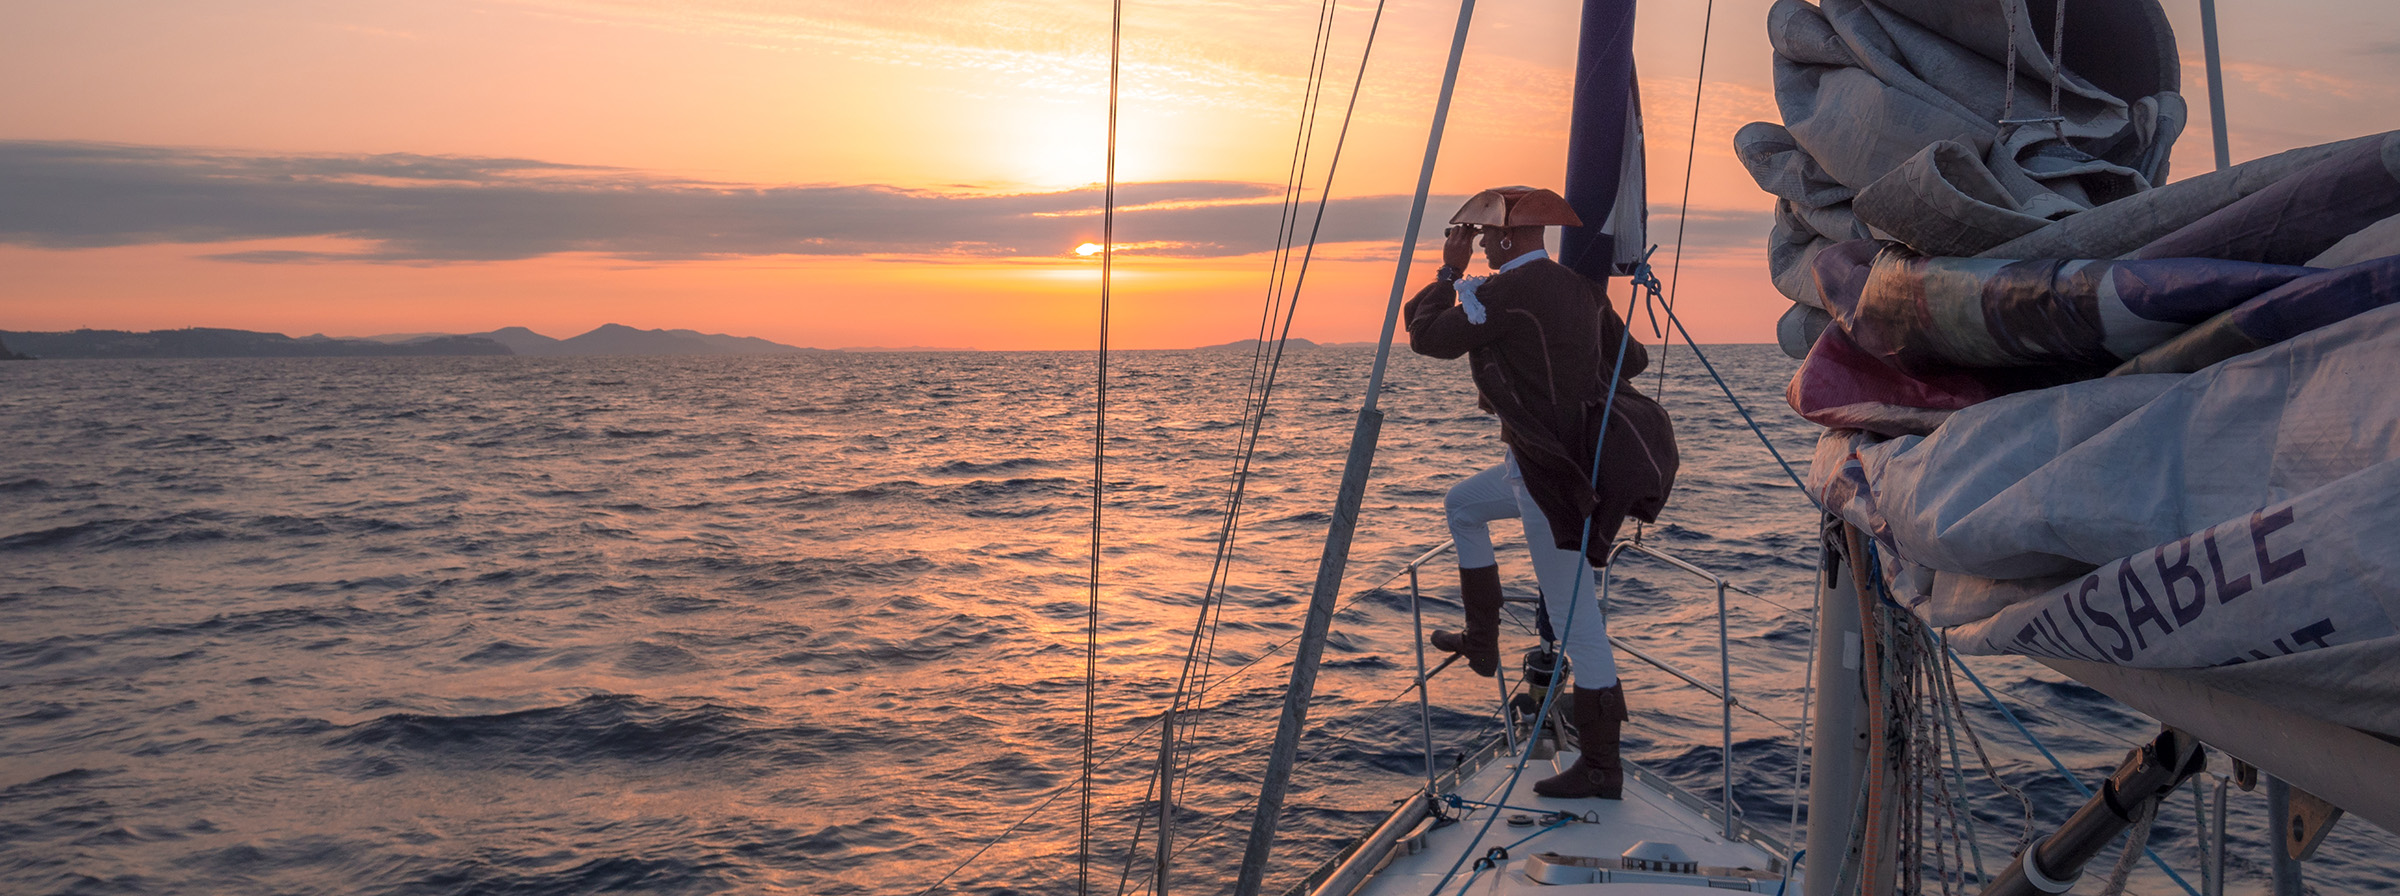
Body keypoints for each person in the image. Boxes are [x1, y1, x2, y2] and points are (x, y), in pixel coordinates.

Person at [1406, 185, 1679, 800]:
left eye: (1484, 238)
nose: (1480, 247)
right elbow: (1632, 360)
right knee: (1462, 506)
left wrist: (1449, 271)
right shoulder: (1577, 288)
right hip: (1543, 462)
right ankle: (1482, 641)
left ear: (1506, 239)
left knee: (1577, 622)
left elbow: (1427, 337)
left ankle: (1601, 767)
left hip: (1549, 477)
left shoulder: (1505, 293)